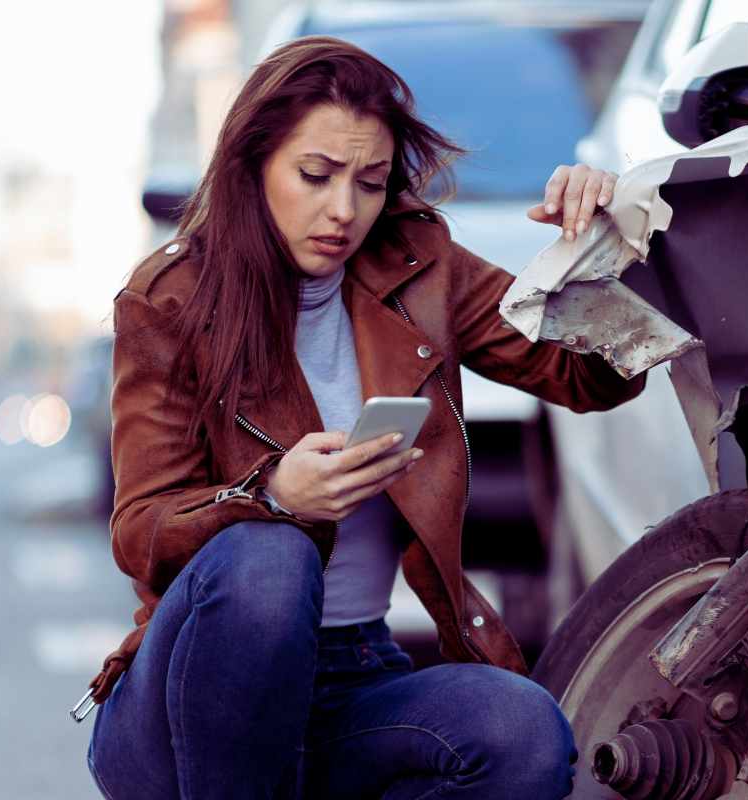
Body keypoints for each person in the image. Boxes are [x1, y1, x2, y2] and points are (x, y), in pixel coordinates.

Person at [82, 36, 646, 799]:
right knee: (271, 559)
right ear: (253, 166)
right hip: (189, 704)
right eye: (315, 176)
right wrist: (273, 495)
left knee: (520, 731)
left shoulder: (417, 266)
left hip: (354, 677)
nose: (343, 210)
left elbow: (587, 379)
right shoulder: (170, 298)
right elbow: (140, 530)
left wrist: (599, 250)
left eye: (371, 183)